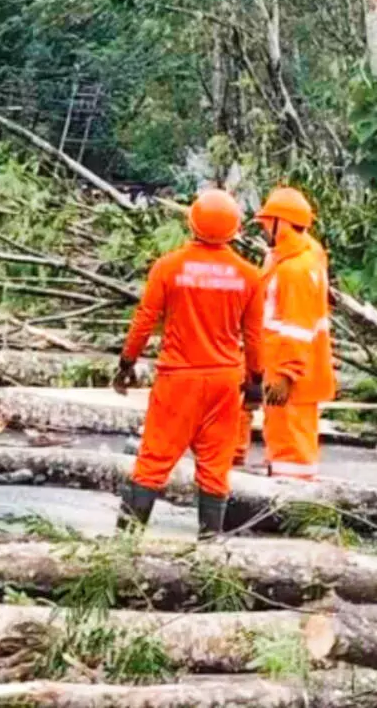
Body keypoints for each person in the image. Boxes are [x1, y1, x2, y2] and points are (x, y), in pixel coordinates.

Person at [112, 189, 264, 539]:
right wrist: (255, 382)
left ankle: (124, 545)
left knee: (153, 462)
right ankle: (209, 547)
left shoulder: (168, 267)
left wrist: (127, 362)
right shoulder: (249, 275)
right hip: (224, 382)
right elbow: (255, 337)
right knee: (215, 467)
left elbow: (144, 320)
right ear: (235, 230)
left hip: (178, 379)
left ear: (191, 223)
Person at [243, 186, 335, 479]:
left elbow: (297, 327)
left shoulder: (294, 270)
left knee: (290, 442)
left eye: (266, 224)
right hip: (295, 365)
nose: (263, 230)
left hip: (289, 370)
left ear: (280, 223)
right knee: (289, 436)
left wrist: (285, 375)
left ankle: (292, 492)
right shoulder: (306, 255)